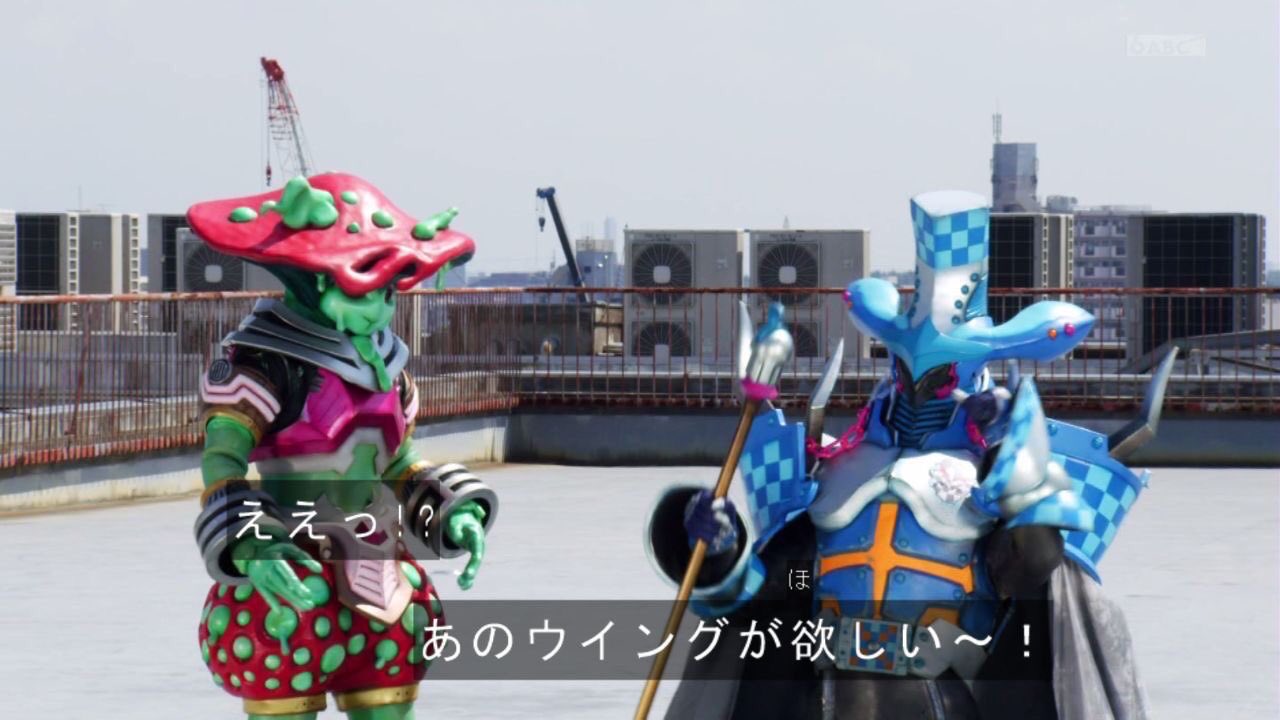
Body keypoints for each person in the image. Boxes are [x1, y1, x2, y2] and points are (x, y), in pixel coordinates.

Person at [190, 174, 497, 719]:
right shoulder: (262, 363)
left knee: (390, 699)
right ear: (313, 279)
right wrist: (252, 546)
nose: (378, 310)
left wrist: (453, 512)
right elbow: (223, 461)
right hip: (288, 573)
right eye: (363, 290)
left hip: (382, 576)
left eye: (386, 293)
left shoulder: (388, 367)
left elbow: (397, 462)